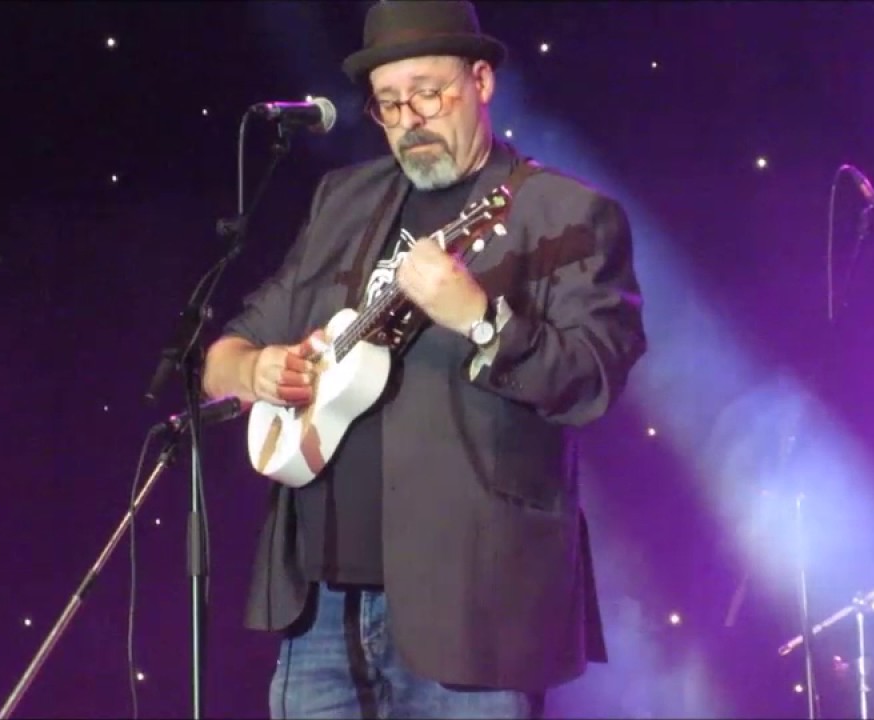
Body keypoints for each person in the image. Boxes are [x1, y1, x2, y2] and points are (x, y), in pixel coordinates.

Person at [201, 1, 647, 717]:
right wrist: (255, 370)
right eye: (388, 103)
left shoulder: (566, 214)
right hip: (320, 615)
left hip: (474, 610)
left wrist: (478, 317)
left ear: (481, 81)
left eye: (428, 93)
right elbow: (224, 355)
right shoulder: (343, 200)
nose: (410, 118)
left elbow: (591, 380)